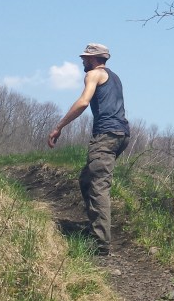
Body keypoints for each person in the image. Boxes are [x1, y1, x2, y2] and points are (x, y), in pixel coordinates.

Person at [48, 42, 130, 256]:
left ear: (93, 59)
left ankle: (100, 243)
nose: (82, 61)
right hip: (121, 135)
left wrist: (59, 126)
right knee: (87, 179)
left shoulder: (93, 75)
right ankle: (95, 227)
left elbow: (84, 102)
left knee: (98, 186)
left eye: (85, 58)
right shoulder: (115, 77)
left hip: (106, 135)